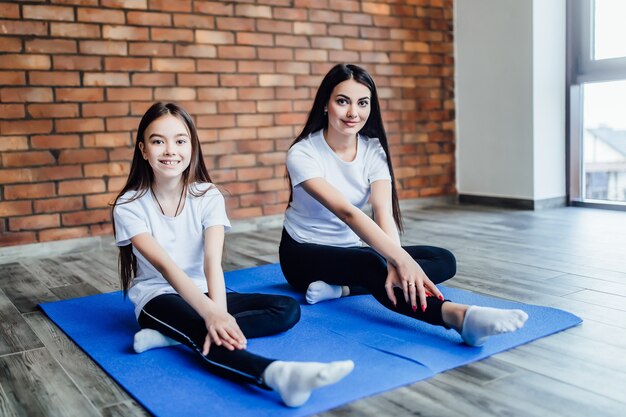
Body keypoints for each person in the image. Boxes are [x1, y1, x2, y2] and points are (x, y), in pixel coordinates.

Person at [111, 102, 353, 407]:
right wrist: (211, 315)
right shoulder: (129, 205)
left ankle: (174, 336)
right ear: (144, 149)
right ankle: (276, 374)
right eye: (159, 141)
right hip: (158, 296)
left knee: (286, 310)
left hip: (207, 291)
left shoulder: (208, 196)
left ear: (192, 146)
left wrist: (218, 311)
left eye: (180, 140)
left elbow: (212, 261)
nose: (170, 150)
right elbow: (166, 266)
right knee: (205, 328)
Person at [279, 64, 528, 346]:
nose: (353, 113)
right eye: (342, 101)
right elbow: (348, 213)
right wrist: (398, 260)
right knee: (373, 262)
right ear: (325, 104)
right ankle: (458, 316)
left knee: (443, 260)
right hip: (302, 255)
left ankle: (342, 290)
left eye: (362, 103)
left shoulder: (373, 149)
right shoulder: (303, 153)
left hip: (349, 251)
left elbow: (383, 210)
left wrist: (396, 259)